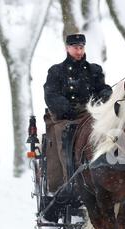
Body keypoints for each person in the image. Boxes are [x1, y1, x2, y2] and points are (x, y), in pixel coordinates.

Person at [43, 33, 112, 200]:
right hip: (64, 117)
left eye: (81, 47)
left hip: (89, 114)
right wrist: (66, 109)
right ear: (67, 48)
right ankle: (69, 181)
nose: (79, 51)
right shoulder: (56, 71)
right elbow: (51, 94)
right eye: (75, 47)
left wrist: (105, 94)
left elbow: (101, 88)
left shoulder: (94, 70)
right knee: (64, 134)